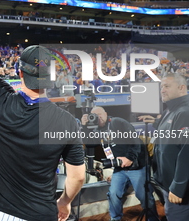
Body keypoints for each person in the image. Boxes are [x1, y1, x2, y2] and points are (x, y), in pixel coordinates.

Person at [0, 7, 85, 221]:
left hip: (1, 213)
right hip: (42, 213)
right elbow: (78, 177)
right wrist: (64, 202)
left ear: (20, 73)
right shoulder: (67, 121)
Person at [81, 106, 158, 221]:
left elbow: (135, 140)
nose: (99, 117)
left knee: (143, 195)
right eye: (95, 116)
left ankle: (153, 219)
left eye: (100, 114)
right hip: (120, 168)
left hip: (137, 166)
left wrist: (130, 158)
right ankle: (115, 219)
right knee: (113, 194)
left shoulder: (117, 122)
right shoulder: (97, 130)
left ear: (106, 114)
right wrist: (84, 126)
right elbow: (89, 144)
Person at [139, 73, 189, 221]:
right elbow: (170, 131)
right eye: (161, 87)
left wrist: (178, 187)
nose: (162, 90)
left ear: (181, 88)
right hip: (167, 183)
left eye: (167, 86)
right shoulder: (170, 111)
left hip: (179, 188)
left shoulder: (185, 112)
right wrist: (156, 122)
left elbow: (186, 153)